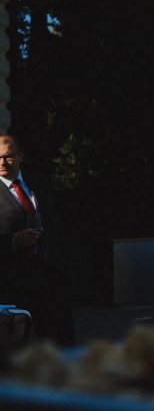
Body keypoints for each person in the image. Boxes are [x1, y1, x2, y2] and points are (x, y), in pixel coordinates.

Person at [0, 134, 75, 345]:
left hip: (50, 278)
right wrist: (12, 241)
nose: (2, 163)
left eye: (8, 156)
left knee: (60, 345)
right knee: (14, 351)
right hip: (11, 284)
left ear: (20, 156)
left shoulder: (38, 183)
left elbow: (57, 225)